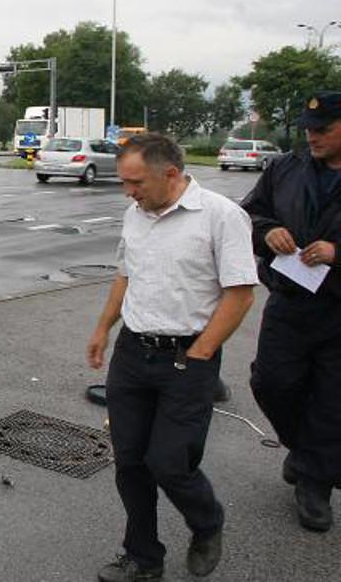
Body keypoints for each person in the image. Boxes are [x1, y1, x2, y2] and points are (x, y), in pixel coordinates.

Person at [86, 133, 257, 581]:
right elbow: (126, 275)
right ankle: (143, 557)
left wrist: (200, 353)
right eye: (124, 183)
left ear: (172, 174)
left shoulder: (221, 217)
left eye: (136, 182)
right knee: (131, 463)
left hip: (188, 358)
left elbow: (239, 294)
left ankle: (207, 523)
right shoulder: (134, 213)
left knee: (170, 463)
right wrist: (104, 328)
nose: (129, 192)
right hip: (133, 353)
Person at [243, 91, 341, 532]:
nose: (312, 136)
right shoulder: (285, 168)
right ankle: (304, 452)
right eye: (308, 128)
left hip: (338, 308)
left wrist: (339, 252)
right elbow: (248, 215)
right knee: (271, 382)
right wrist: (269, 232)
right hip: (289, 300)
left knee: (331, 400)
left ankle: (315, 485)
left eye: (323, 129)